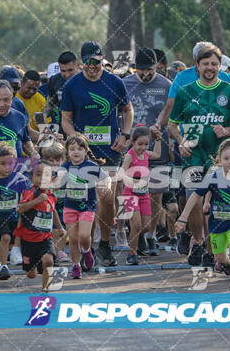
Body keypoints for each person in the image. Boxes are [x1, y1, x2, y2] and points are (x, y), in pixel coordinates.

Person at [168, 44, 230, 266]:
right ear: (197, 66)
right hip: (192, 154)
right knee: (194, 198)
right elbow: (172, 125)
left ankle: (217, 249)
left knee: (218, 203)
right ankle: (199, 242)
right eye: (206, 64)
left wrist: (228, 130)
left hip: (221, 158)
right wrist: (181, 140)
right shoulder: (185, 92)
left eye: (214, 63)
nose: (210, 67)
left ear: (219, 66)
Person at [60, 41, 134, 267]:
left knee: (106, 196)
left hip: (110, 150)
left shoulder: (114, 82)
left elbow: (127, 110)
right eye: (88, 62)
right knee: (84, 198)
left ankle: (104, 243)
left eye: (97, 61)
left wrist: (125, 134)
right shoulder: (72, 85)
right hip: (83, 154)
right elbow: (66, 119)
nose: (92, 66)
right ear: (81, 62)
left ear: (103, 59)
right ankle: (86, 247)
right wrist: (76, 142)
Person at [176, 136, 230, 293]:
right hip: (217, 225)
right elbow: (195, 196)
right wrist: (183, 218)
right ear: (219, 159)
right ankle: (228, 266)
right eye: (226, 158)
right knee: (220, 258)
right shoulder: (212, 178)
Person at [124, 47, 173, 254]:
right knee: (125, 194)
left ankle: (150, 235)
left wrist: (163, 134)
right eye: (140, 70)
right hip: (131, 150)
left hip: (156, 149)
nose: (144, 74)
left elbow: (172, 115)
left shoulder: (167, 85)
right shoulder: (125, 84)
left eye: (149, 70)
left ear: (157, 67)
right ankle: (128, 230)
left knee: (155, 196)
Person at [56, 134, 111, 278]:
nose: (76, 151)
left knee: (84, 235)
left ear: (86, 151)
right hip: (69, 207)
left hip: (87, 207)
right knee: (73, 239)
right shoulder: (65, 167)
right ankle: (76, 266)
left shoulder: (91, 166)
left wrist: (106, 186)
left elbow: (107, 178)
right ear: (67, 152)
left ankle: (87, 251)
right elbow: (56, 181)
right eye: (72, 148)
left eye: (80, 149)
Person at [0, 144, 33, 280]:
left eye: (10, 163)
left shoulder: (20, 179)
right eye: (3, 164)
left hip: (15, 216)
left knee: (10, 245)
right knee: (5, 237)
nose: (7, 167)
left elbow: (27, 196)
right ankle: (4, 267)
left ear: (15, 162)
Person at [15, 160, 66, 291]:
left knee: (49, 261)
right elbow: (20, 208)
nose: (43, 178)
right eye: (38, 174)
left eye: (46, 175)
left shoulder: (52, 196)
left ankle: (45, 291)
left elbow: (53, 210)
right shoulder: (30, 193)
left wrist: (60, 227)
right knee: (30, 274)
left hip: (45, 237)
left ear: (52, 178)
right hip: (28, 240)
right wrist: (37, 200)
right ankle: (33, 267)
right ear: (32, 178)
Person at [120, 126, 163, 265]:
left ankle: (135, 236)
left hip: (144, 194)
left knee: (146, 227)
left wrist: (158, 140)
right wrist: (135, 181)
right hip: (130, 193)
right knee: (137, 225)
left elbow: (157, 155)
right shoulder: (129, 155)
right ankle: (132, 254)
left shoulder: (145, 154)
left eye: (146, 144)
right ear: (132, 142)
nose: (143, 147)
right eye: (140, 144)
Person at [40, 142, 68, 262]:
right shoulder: (45, 173)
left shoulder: (66, 172)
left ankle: (61, 251)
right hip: (50, 206)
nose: (55, 163)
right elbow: (52, 186)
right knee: (52, 230)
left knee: (62, 229)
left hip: (63, 204)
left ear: (63, 159)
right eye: (51, 160)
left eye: (58, 160)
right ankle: (51, 250)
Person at [40, 51, 82, 127]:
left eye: (70, 70)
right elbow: (51, 103)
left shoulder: (87, 79)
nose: (67, 75)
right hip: (64, 126)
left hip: (86, 127)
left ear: (78, 65)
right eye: (63, 71)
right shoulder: (54, 81)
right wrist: (44, 115)